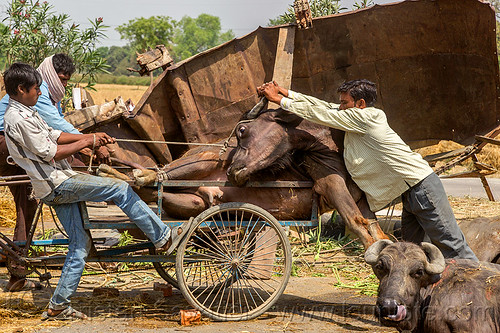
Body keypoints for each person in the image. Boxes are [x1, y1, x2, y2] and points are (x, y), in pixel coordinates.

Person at [2, 63, 190, 320]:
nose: (39, 92)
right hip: (56, 183)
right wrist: (88, 141)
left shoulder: (27, 111)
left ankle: (58, 305)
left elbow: (54, 134)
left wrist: (93, 136)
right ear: (21, 89)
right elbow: (51, 152)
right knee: (120, 188)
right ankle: (163, 238)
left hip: (56, 181)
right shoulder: (18, 119)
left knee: (80, 244)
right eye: (36, 89)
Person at [258, 79, 477, 261]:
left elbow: (324, 114)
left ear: (361, 103)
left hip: (422, 189)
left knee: (454, 247)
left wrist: (280, 100)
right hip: (410, 194)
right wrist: (288, 93)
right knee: (412, 252)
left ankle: (487, 294)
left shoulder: (368, 117)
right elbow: (325, 107)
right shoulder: (355, 115)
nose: (340, 106)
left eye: (345, 103)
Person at [0, 54, 109, 291]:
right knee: (28, 204)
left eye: (67, 81)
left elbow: (54, 130)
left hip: (17, 144)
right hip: (5, 146)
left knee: (28, 205)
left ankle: (18, 272)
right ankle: (18, 271)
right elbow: (56, 137)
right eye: (62, 79)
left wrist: (87, 142)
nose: (64, 85)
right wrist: (88, 142)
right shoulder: (31, 97)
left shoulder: (44, 94)